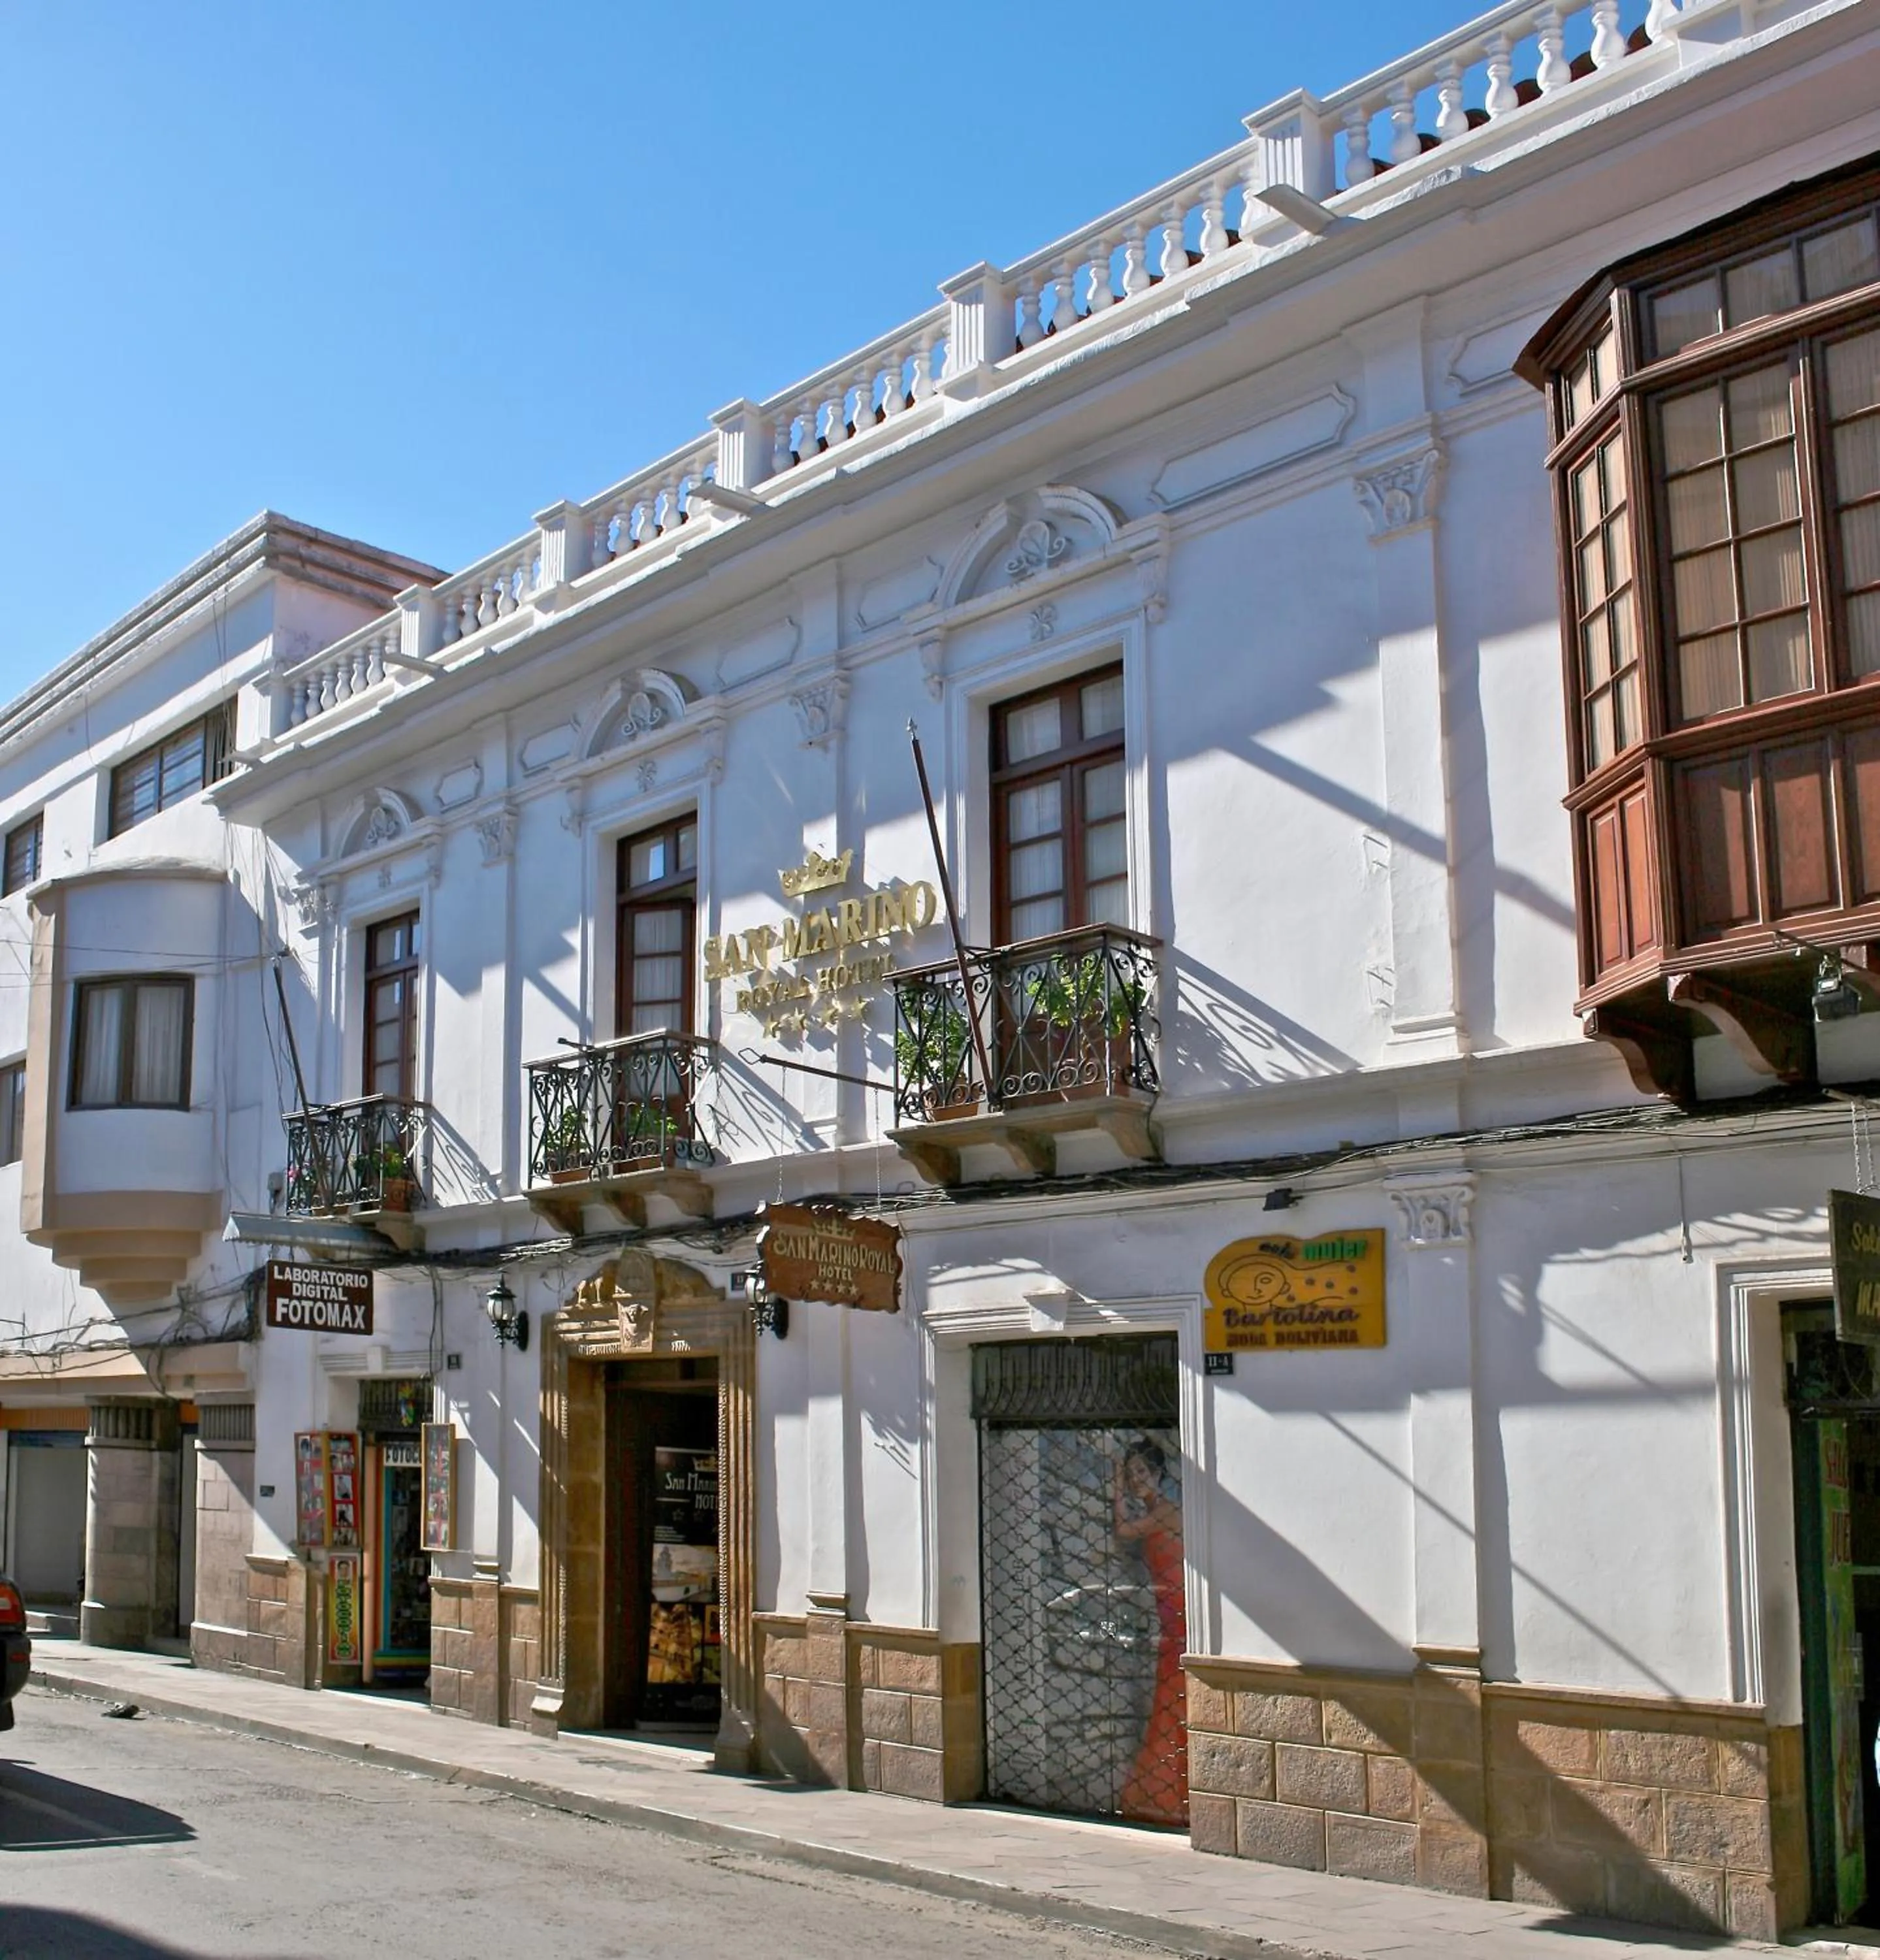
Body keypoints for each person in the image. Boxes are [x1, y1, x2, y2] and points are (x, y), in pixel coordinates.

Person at [1113, 1437, 1188, 1826]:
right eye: (1130, 1475)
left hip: (1180, 1615)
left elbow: (1125, 1531)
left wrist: (1114, 1489)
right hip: (1169, 1616)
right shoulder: (1160, 1511)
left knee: (1173, 1704)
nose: (1135, 1480)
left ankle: (1169, 1798)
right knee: (1171, 1702)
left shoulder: (1166, 1512)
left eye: (1141, 1472)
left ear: (1158, 1473)